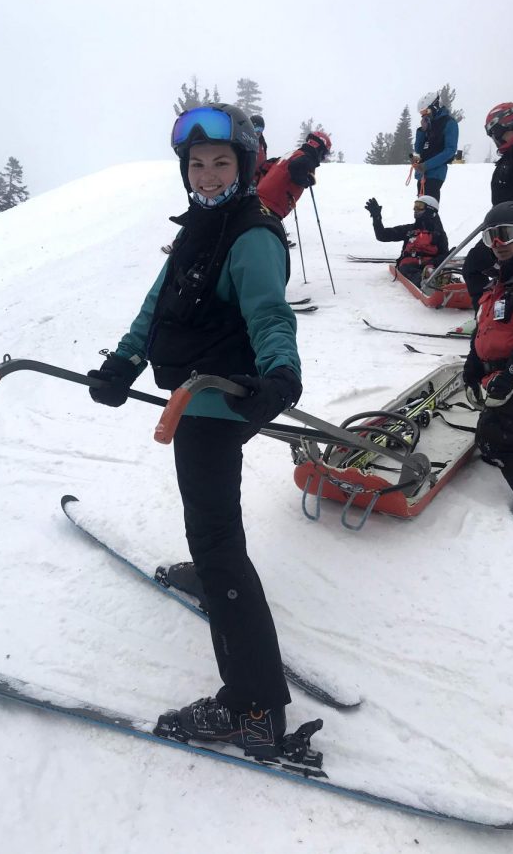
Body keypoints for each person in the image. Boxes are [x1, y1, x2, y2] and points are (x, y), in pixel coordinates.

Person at [87, 104, 302, 750]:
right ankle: (213, 577)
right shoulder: (200, 226)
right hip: (189, 397)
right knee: (212, 530)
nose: (207, 176)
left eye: (220, 163)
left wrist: (280, 374)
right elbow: (158, 303)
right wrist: (123, 360)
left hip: (215, 401)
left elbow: (269, 314)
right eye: (197, 165)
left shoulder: (250, 235)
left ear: (244, 166)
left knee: (217, 543)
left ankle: (253, 708)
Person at [462, 201, 513, 526]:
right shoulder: (503, 280)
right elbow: (487, 326)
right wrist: (473, 365)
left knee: (498, 437)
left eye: (504, 235)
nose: (497, 245)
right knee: (488, 441)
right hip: (508, 371)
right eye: (490, 237)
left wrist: (512, 375)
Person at [462, 103, 513, 309]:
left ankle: (490, 316)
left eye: (493, 133)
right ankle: (494, 314)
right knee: (497, 270)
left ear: (500, 128)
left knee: (474, 267)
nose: (494, 138)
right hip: (504, 227)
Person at [364, 195, 449, 288]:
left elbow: (444, 255)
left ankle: (438, 279)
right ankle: (426, 282)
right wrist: (376, 217)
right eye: (415, 206)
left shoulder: (439, 234)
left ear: (430, 210)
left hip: (430, 266)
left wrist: (431, 263)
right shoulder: (409, 230)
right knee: (408, 269)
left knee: (440, 269)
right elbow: (382, 235)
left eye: (419, 206)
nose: (415, 209)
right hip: (410, 266)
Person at [256, 130, 331, 220]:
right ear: (319, 148)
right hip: (271, 206)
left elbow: (267, 165)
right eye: (324, 154)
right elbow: (294, 167)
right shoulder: (308, 158)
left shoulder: (293, 154)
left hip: (260, 199)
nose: (323, 158)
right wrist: (306, 181)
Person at [411, 91, 459, 202]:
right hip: (421, 175)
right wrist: (422, 131)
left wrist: (426, 165)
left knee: (427, 209)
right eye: (421, 112)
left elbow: (450, 151)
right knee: (420, 209)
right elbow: (418, 150)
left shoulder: (448, 123)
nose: (424, 114)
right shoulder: (427, 126)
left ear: (435, 106)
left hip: (435, 174)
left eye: (426, 111)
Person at [250, 114, 268, 185]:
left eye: (261, 129)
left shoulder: (263, 143)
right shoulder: (244, 141)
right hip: (245, 181)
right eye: (256, 128)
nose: (258, 132)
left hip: (258, 181)